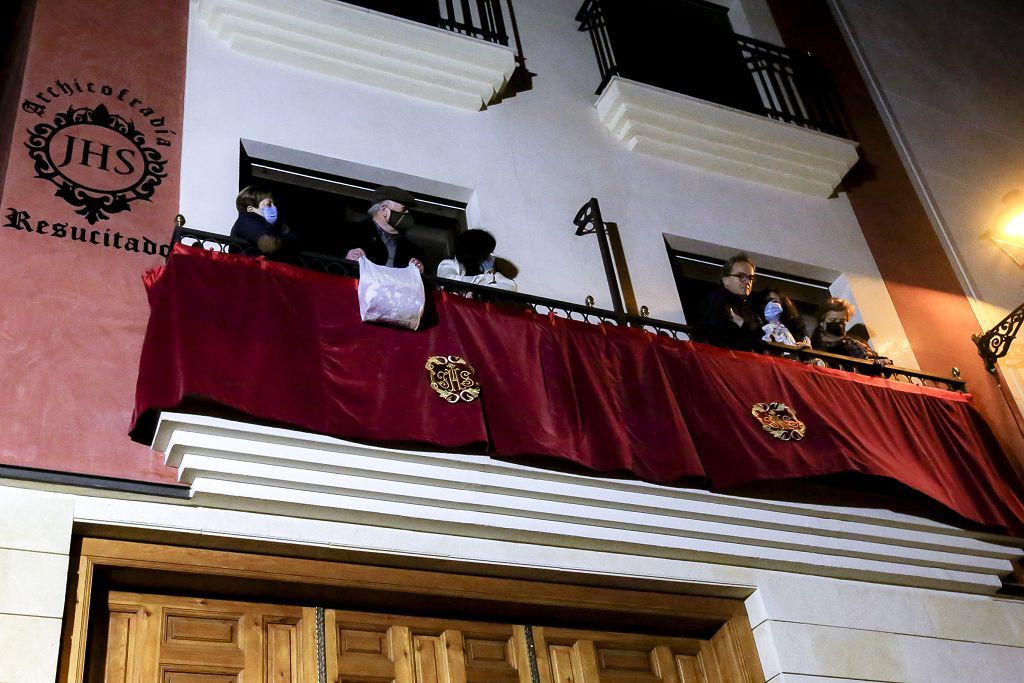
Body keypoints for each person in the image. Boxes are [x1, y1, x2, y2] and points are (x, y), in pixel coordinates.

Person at [345, 186, 424, 272]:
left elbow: (426, 282)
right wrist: (347, 260)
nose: (407, 214)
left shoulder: (411, 250)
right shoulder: (351, 233)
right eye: (403, 210)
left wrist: (420, 273)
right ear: (384, 210)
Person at [699, 254, 763, 347]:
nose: (747, 282)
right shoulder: (715, 302)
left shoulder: (751, 312)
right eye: (741, 276)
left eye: (751, 278)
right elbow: (720, 333)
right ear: (725, 280)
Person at [811, 297, 890, 363]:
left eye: (842, 321)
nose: (838, 324)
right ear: (822, 322)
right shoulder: (811, 344)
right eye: (833, 320)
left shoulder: (854, 344)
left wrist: (880, 362)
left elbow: (873, 359)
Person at [436, 229, 517, 292]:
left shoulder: (487, 265)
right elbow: (448, 281)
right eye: (486, 252)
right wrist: (486, 279)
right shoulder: (448, 264)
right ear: (474, 251)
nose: (489, 255)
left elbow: (510, 286)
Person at [230, 185, 295, 255]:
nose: (274, 207)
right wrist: (286, 237)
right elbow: (269, 245)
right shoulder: (245, 221)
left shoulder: (276, 226)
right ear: (251, 209)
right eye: (269, 204)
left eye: (274, 203)